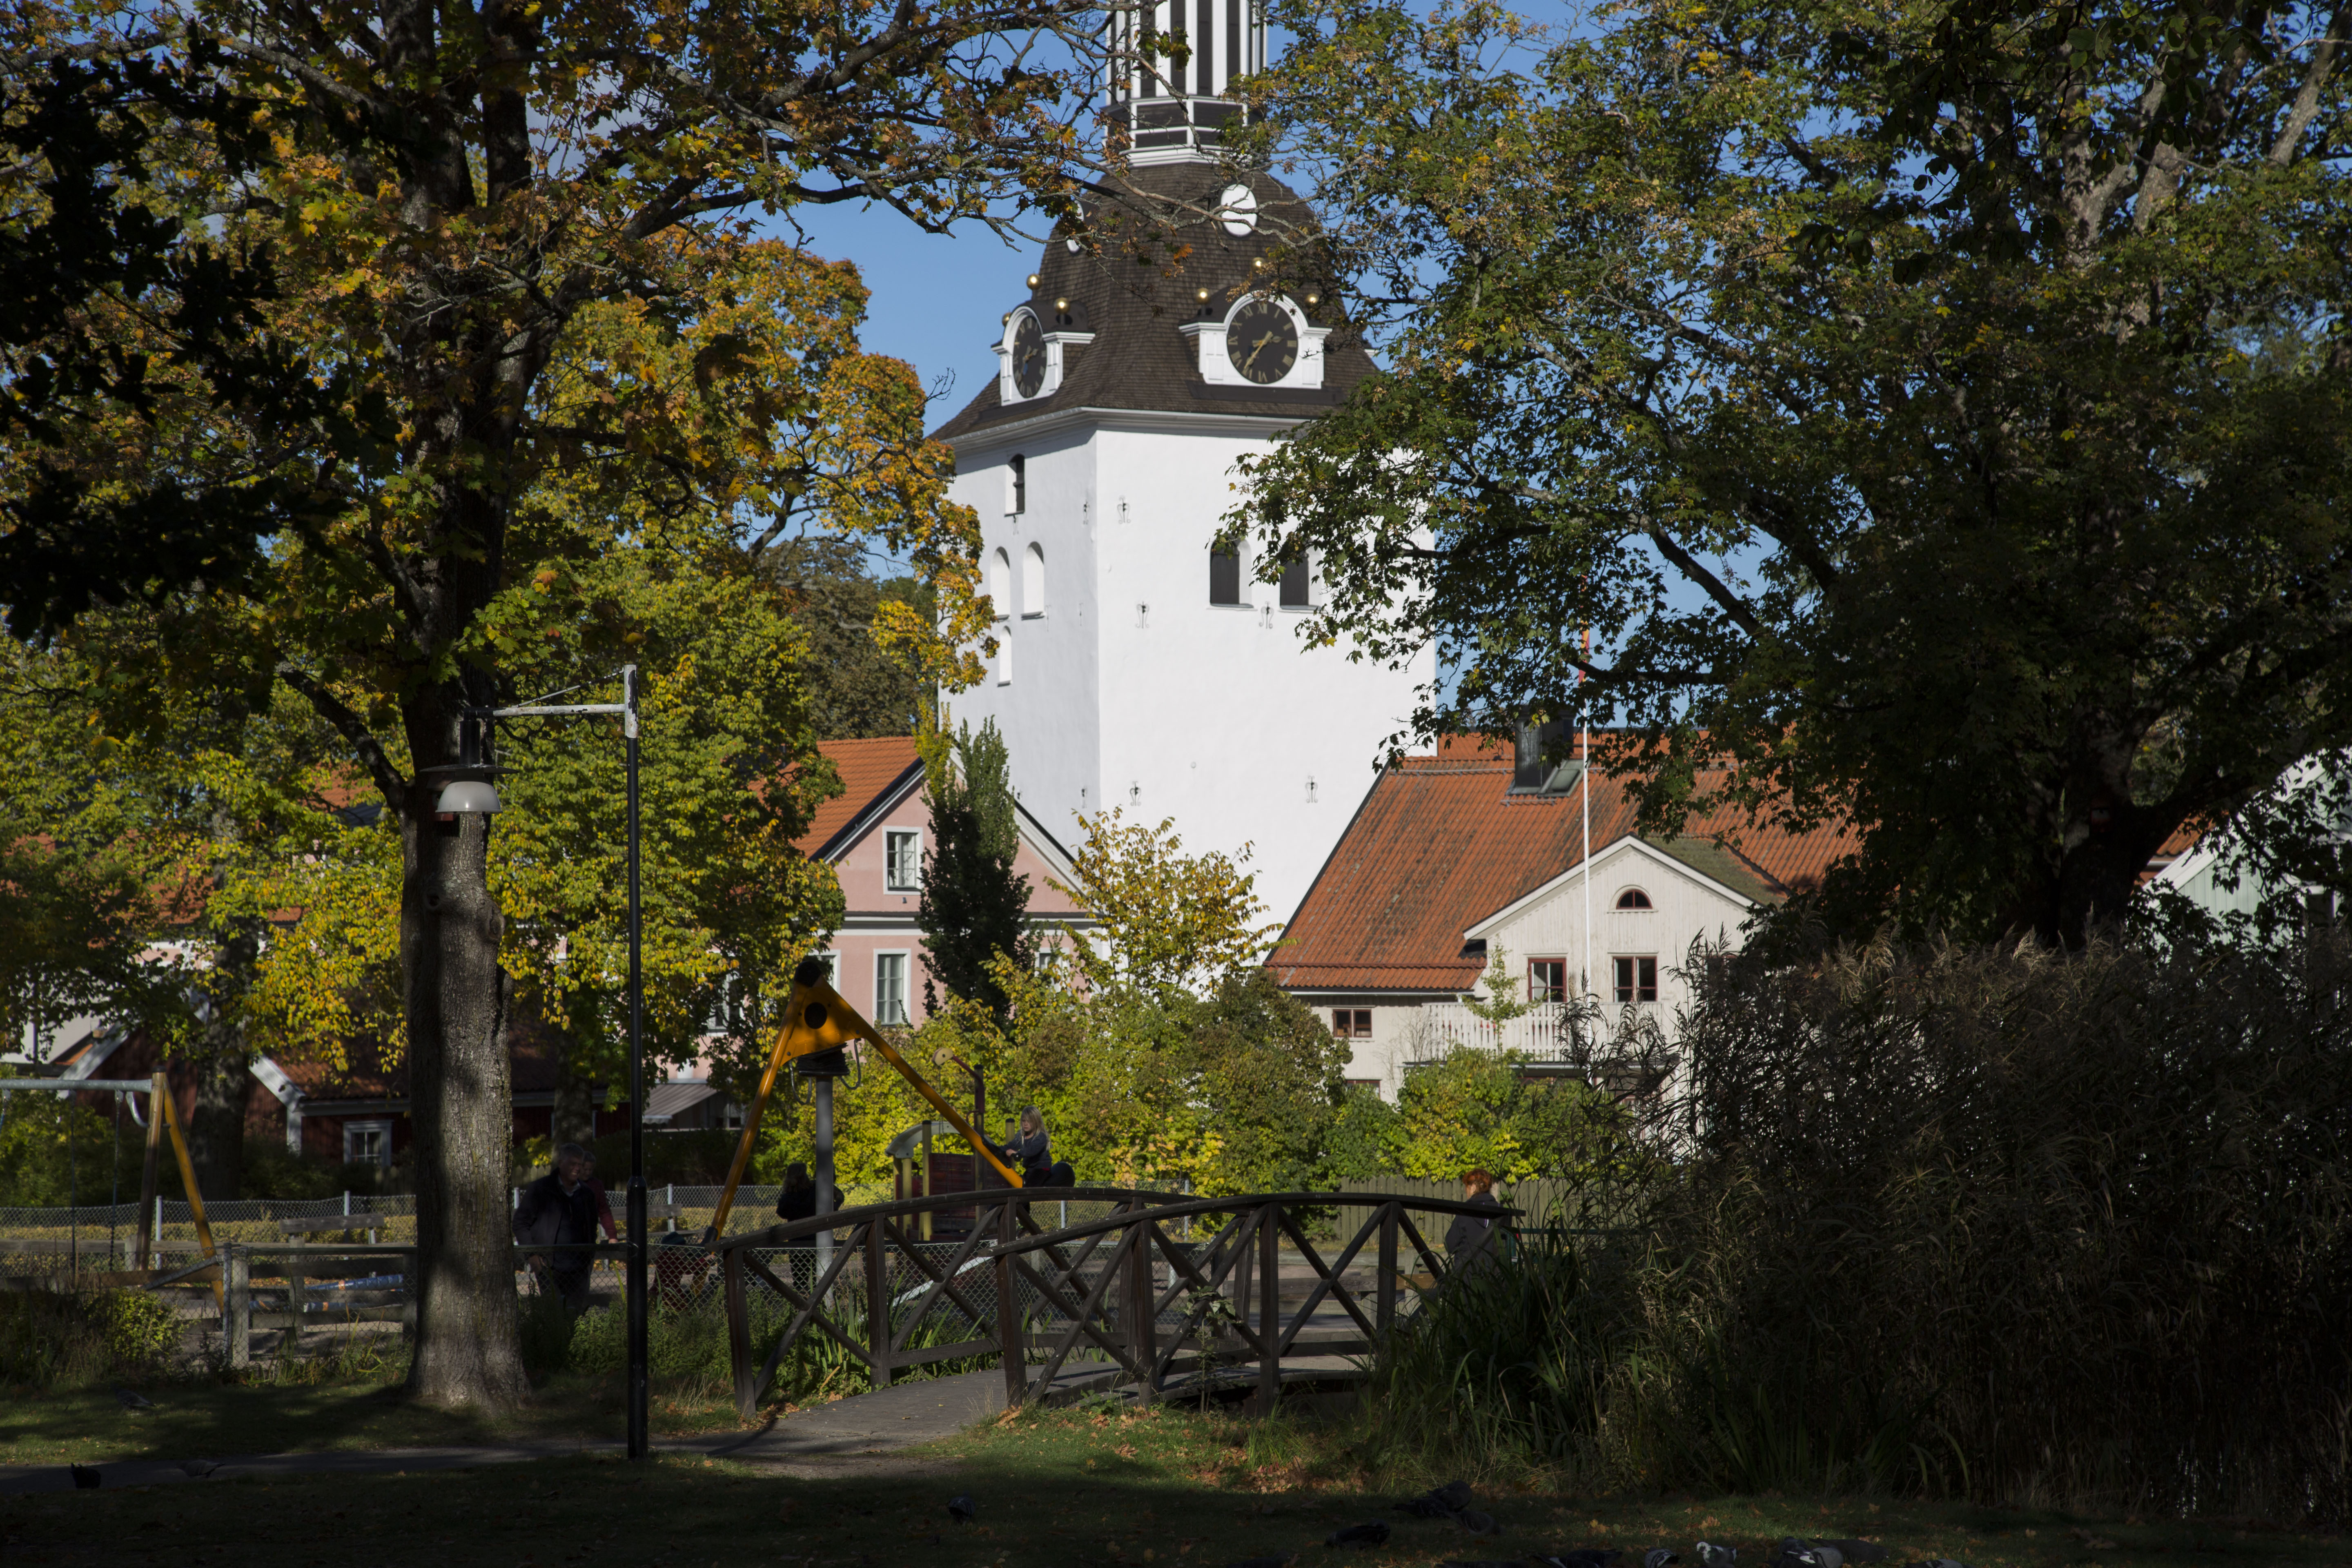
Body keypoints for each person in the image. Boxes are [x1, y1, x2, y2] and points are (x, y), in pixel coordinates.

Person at [514, 1143, 605, 1310]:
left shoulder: (586, 1194)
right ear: (561, 1162)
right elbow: (520, 1223)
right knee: (553, 1315)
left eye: (580, 1165)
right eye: (573, 1164)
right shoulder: (540, 1190)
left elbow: (592, 1227)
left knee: (575, 1316)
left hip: (579, 1268)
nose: (577, 1169)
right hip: (548, 1266)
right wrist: (533, 1257)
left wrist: (588, 1258)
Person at [1444, 1167, 1509, 1277]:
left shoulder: (1465, 1212)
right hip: (1495, 1280)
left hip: (1467, 1279)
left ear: (1473, 1187)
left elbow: (1450, 1245)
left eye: (1467, 1187)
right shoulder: (1502, 1211)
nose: (1466, 1192)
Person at [998, 1106, 1055, 1184]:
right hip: (1030, 1170)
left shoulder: (1041, 1137)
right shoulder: (1022, 1136)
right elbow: (1012, 1145)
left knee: (1029, 1189)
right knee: (1021, 1185)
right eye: (1024, 1121)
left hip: (1041, 1169)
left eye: (1029, 1121)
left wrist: (1018, 1154)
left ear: (1036, 1122)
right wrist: (998, 1149)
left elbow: (1031, 1150)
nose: (1026, 1124)